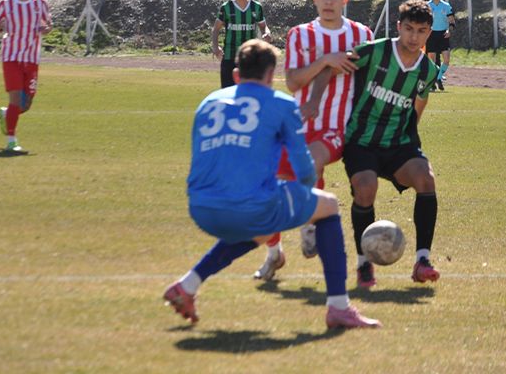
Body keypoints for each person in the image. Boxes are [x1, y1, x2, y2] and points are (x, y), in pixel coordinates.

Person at [163, 39, 381, 329]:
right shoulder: (280, 103)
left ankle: (187, 285)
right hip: (250, 205)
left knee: (262, 228)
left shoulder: (208, 102)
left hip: (201, 207)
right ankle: (339, 308)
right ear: (270, 76)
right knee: (326, 205)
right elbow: (304, 168)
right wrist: (305, 203)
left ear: (237, 74)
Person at [253, 0, 374, 281]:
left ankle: (309, 223)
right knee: (270, 189)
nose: (329, 1)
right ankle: (274, 253)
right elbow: (293, 82)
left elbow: (366, 78)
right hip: (298, 123)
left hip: (335, 127)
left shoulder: (362, 35)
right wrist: (325, 60)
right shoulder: (299, 34)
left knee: (311, 160)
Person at [344, 0, 441, 288]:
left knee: (426, 179)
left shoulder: (428, 70)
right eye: (409, 29)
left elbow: (419, 104)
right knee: (365, 189)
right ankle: (364, 264)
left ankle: (422, 261)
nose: (414, 37)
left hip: (398, 143)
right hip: (360, 140)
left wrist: (409, 140)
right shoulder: (373, 52)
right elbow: (339, 69)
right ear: (398, 27)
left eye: (421, 31)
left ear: (429, 33)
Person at [0, 0, 52, 153]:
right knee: (15, 99)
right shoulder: (5, 4)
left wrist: (46, 29)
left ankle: (6, 114)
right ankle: (11, 140)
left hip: (32, 58)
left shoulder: (41, 3)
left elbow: (48, 25)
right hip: (11, 57)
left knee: (26, 104)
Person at [211, 0, 271, 88]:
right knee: (228, 90)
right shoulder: (226, 7)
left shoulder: (256, 7)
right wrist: (215, 46)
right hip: (229, 55)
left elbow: (263, 26)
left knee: (250, 90)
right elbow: (216, 29)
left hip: (250, 56)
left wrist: (266, 33)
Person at [425, 0, 455, 91]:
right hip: (431, 35)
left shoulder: (446, 6)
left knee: (446, 60)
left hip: (443, 34)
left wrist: (449, 30)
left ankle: (438, 78)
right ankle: (432, 81)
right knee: (432, 62)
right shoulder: (427, 6)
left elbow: (452, 21)